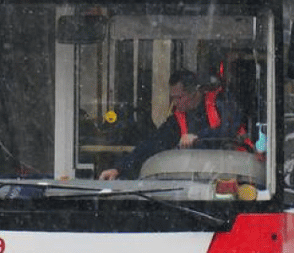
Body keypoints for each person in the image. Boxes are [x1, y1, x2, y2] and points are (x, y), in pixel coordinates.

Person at [99, 70, 246, 180]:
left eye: (179, 97)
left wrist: (198, 137)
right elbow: (152, 144)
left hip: (238, 174)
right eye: (173, 98)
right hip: (199, 178)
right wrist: (119, 168)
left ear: (194, 93)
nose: (175, 102)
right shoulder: (177, 119)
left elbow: (229, 130)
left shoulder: (222, 102)